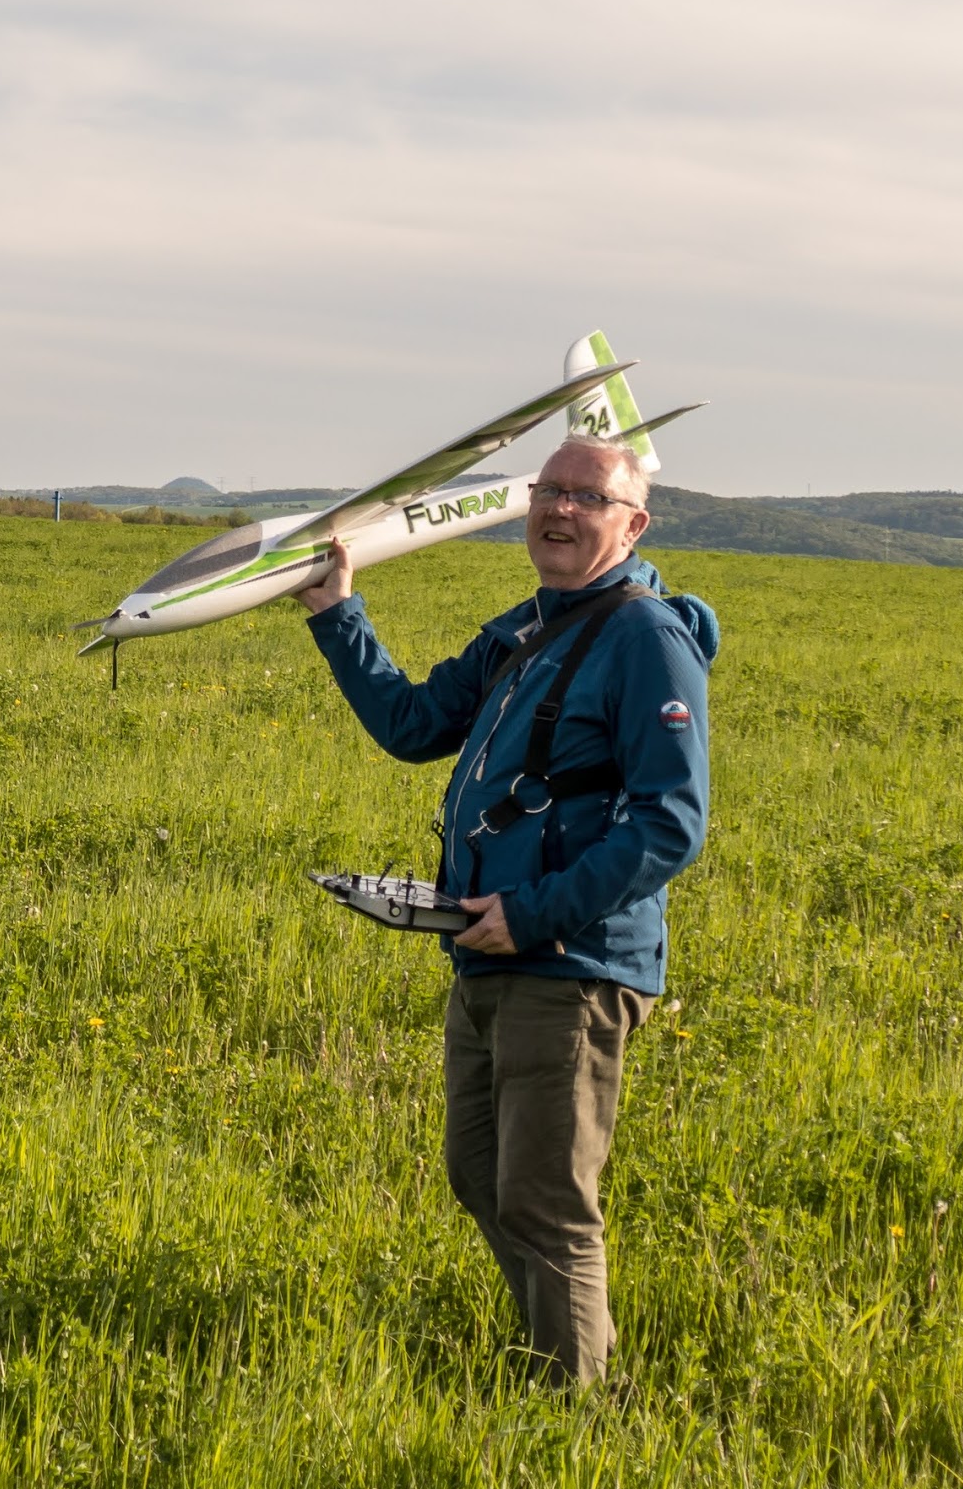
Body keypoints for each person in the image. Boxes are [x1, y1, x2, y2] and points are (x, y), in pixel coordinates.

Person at [294, 436, 719, 1385]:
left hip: (567, 961)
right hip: (484, 948)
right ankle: (563, 1358)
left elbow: (670, 823)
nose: (560, 509)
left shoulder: (645, 638)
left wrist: (533, 913)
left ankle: (572, 1412)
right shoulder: (526, 630)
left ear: (633, 525)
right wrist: (335, 612)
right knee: (480, 1173)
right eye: (548, 490)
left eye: (588, 498)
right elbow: (413, 726)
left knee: (543, 1200)